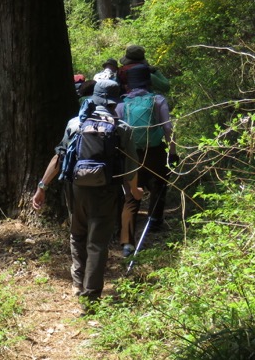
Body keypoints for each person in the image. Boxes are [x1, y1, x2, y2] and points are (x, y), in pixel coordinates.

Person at [33, 79, 141, 308]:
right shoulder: (122, 128)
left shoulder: (75, 124)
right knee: (97, 243)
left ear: (94, 99)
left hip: (76, 189)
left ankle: (77, 283)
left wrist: (42, 187)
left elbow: (59, 157)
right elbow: (132, 166)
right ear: (114, 103)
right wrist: (134, 190)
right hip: (106, 190)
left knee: (77, 234)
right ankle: (91, 296)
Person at [115, 63, 177, 257]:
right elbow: (168, 128)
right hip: (155, 151)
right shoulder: (157, 100)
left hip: (131, 154)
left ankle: (127, 242)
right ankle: (154, 224)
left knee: (131, 196)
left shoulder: (121, 104)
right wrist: (172, 151)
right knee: (158, 185)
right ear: (148, 82)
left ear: (129, 85)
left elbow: (118, 133)